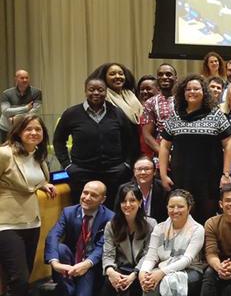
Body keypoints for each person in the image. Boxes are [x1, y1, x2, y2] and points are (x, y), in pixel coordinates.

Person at [0, 114, 55, 296]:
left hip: (31, 223)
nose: (34, 133)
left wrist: (44, 184)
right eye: (29, 129)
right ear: (18, 131)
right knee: (18, 280)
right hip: (7, 224)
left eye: (38, 130)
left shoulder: (38, 156)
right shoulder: (4, 153)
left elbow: (33, 181)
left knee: (25, 282)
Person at [45, 181, 113, 296]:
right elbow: (53, 235)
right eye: (85, 192)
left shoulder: (110, 217)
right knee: (59, 250)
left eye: (93, 195)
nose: (87, 197)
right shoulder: (69, 212)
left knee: (87, 271)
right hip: (71, 263)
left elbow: (103, 246)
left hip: (94, 267)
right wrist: (54, 263)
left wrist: (87, 263)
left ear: (102, 199)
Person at [159, 74, 231, 223]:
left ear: (204, 92)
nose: (192, 92)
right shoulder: (175, 117)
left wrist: (226, 174)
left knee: (207, 217)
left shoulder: (216, 115)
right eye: (188, 89)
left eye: (196, 89)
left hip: (209, 179)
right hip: (182, 177)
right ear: (183, 93)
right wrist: (163, 174)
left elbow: (228, 144)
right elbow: (164, 146)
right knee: (182, 216)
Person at [138, 189, 205, 296]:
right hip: (164, 268)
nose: (175, 210)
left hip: (191, 271)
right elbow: (151, 256)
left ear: (189, 207)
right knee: (149, 280)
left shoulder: (197, 229)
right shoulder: (159, 228)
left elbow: (187, 259)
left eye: (180, 206)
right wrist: (143, 272)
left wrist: (160, 273)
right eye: (171, 206)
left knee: (170, 280)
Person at [54, 77, 136, 205]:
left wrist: (126, 164)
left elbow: (130, 141)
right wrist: (68, 165)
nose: (96, 93)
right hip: (81, 173)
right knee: (84, 210)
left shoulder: (117, 113)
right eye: (91, 90)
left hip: (114, 173)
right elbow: (58, 141)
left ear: (106, 92)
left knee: (112, 212)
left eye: (100, 90)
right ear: (85, 91)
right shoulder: (71, 114)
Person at [99, 183, 156, 296]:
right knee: (110, 283)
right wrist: (110, 271)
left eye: (132, 200)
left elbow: (149, 254)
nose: (128, 204)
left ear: (140, 202)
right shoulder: (112, 225)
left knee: (125, 287)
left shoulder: (151, 224)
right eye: (124, 201)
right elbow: (108, 254)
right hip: (120, 270)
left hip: (140, 273)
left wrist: (134, 274)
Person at [89, 63, 143, 129]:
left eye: (121, 74)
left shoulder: (130, 94)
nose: (117, 76)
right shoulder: (101, 99)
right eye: (112, 74)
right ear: (104, 78)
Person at [140, 64, 177, 156]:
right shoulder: (150, 102)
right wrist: (164, 154)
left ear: (176, 78)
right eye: (160, 75)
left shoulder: (185, 99)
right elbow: (147, 136)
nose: (164, 77)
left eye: (168, 74)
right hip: (161, 152)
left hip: (185, 152)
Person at [1, 69, 43, 142]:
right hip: (7, 128)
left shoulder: (36, 92)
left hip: (25, 128)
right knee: (6, 151)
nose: (25, 80)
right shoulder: (6, 93)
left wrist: (16, 118)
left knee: (23, 151)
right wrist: (26, 108)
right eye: (22, 78)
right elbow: (5, 111)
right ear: (16, 79)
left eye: (27, 78)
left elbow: (35, 111)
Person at [131, 156, 167, 221]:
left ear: (154, 171)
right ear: (134, 172)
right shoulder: (126, 189)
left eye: (147, 169)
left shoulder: (163, 189)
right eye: (139, 169)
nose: (143, 172)